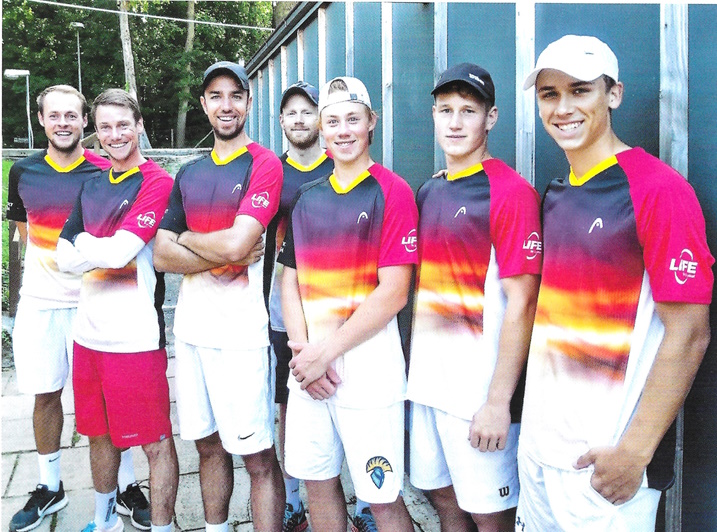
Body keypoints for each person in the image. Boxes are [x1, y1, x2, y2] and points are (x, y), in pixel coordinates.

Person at [518, 35, 713, 530]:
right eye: (549, 94)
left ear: (614, 94)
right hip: (539, 453)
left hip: (603, 467)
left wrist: (634, 452)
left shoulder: (659, 190)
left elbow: (690, 333)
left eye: (580, 90)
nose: (563, 108)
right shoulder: (557, 193)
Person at [5, 85, 150, 532]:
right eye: (55, 116)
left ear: (85, 121)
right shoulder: (22, 171)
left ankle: (125, 488)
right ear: (41, 119)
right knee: (45, 394)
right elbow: (20, 237)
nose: (63, 123)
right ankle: (50, 487)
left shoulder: (106, 170)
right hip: (40, 305)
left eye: (72, 115)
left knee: (108, 404)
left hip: (97, 303)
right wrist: (15, 304)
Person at [278, 76, 418, 532]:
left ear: (371, 122)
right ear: (321, 128)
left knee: (381, 497)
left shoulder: (393, 191)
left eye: (352, 119)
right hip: (311, 372)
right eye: (332, 120)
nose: (342, 130)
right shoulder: (306, 196)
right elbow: (289, 282)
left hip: (367, 374)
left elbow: (394, 290)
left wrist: (325, 353)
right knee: (318, 484)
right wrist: (303, 353)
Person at [407, 63, 542, 532]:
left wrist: (498, 401)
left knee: (491, 516)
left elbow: (523, 302)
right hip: (427, 385)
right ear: (434, 116)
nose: (456, 122)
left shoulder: (510, 192)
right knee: (443, 499)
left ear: (492, 117)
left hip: (479, 395)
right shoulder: (430, 189)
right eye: (446, 110)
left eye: (469, 110)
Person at [153, 61, 285, 532]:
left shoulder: (264, 163)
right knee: (207, 447)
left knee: (257, 457)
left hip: (241, 336)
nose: (226, 105)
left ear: (248, 103)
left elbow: (236, 244)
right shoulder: (188, 172)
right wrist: (204, 243)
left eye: (235, 95)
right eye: (216, 96)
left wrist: (185, 238)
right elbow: (161, 257)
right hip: (191, 332)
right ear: (204, 104)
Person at [56, 88, 178, 532]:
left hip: (135, 339)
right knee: (98, 436)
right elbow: (60, 256)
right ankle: (104, 521)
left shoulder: (157, 182)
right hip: (88, 336)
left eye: (123, 124)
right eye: (105, 127)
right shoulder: (91, 183)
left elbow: (119, 252)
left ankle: (162, 527)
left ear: (139, 124)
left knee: (155, 443)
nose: (115, 134)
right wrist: (100, 249)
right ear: (96, 132)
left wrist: (89, 245)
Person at [266, 80, 333, 532]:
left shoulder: (344, 165)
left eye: (308, 111)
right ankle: (293, 501)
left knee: (345, 398)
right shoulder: (271, 174)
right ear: (283, 122)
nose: (299, 119)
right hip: (282, 308)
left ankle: (362, 504)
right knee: (289, 403)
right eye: (291, 112)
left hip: (340, 308)